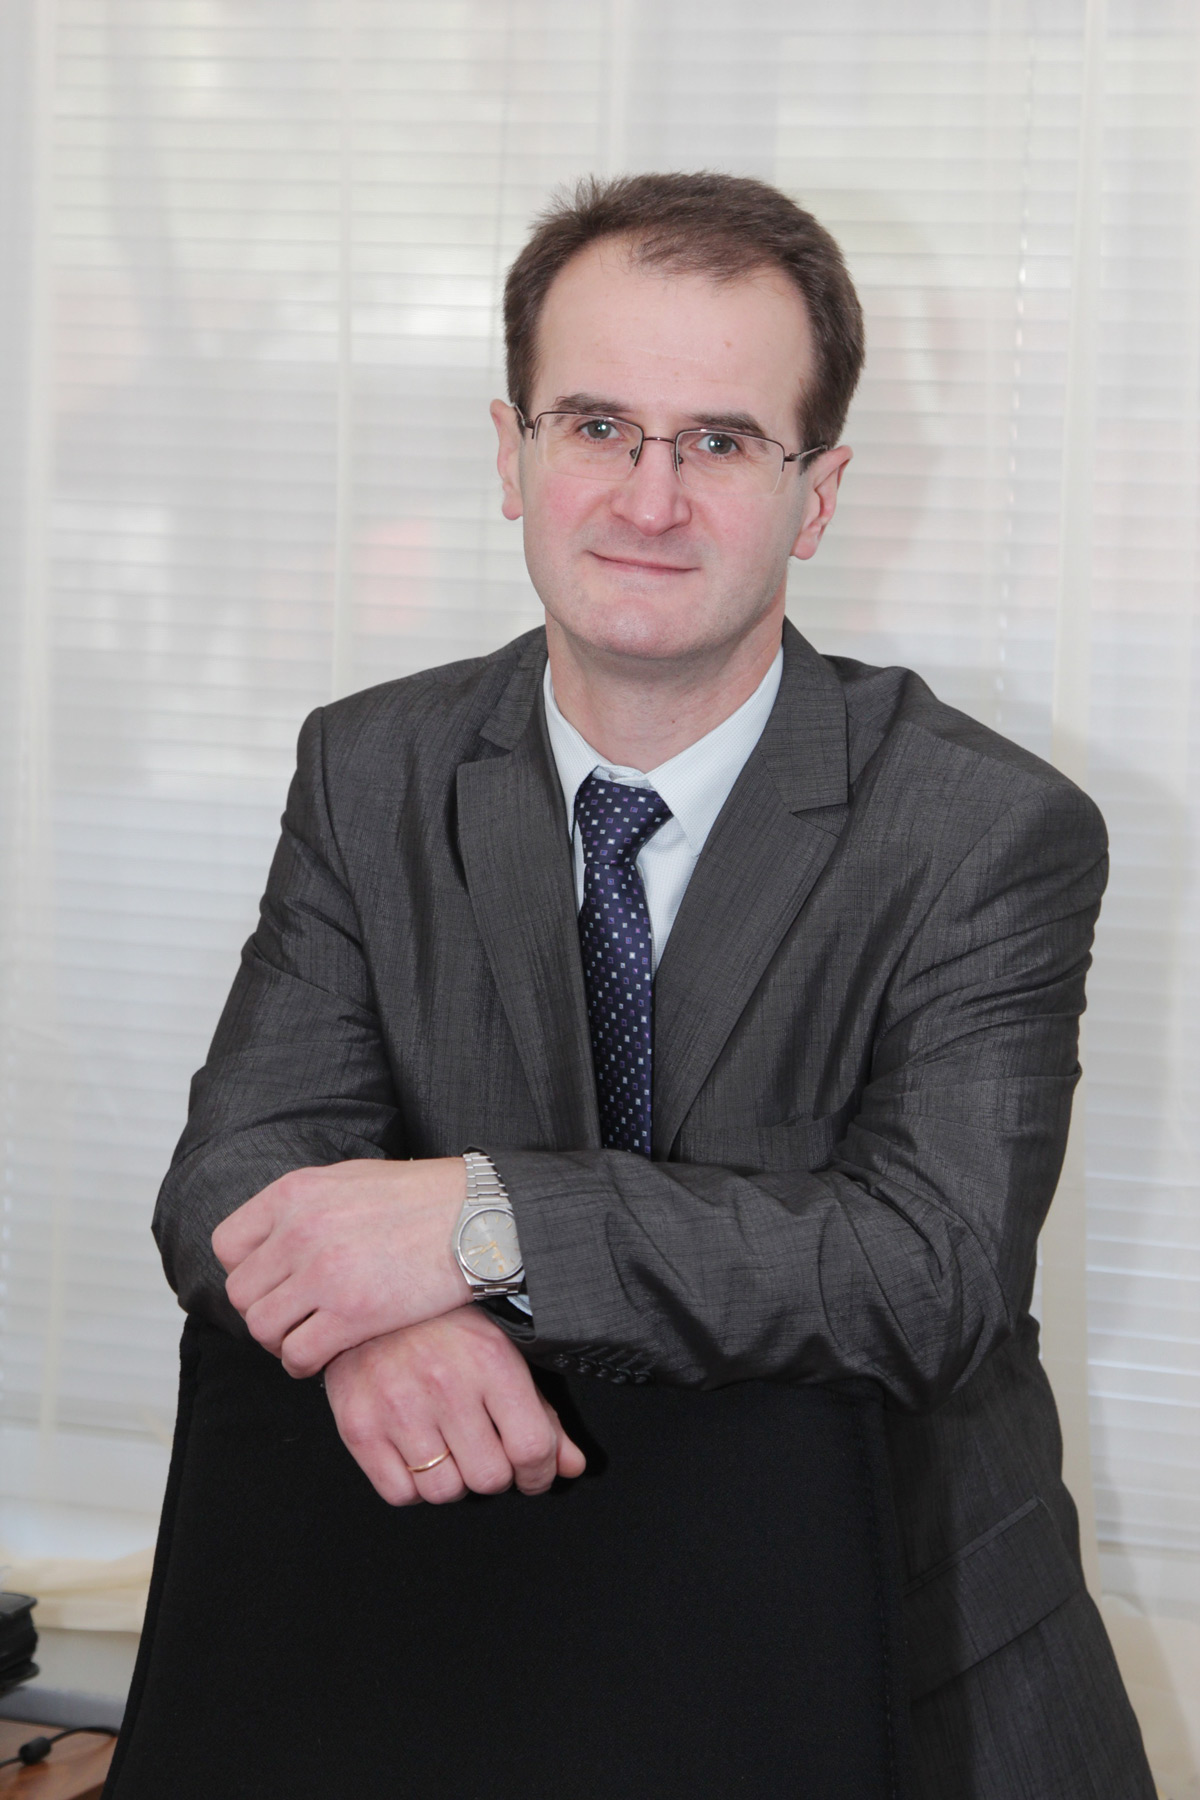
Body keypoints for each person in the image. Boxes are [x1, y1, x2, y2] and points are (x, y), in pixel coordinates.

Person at [117, 173, 1152, 1799]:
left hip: (906, 1682)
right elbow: (234, 1174)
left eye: (720, 442)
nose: (647, 499)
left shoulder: (986, 832)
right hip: (495, 1649)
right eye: (596, 425)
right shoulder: (370, 769)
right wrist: (373, 1331)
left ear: (816, 496)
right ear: (512, 454)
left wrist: (480, 1226)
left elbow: (928, 1276)